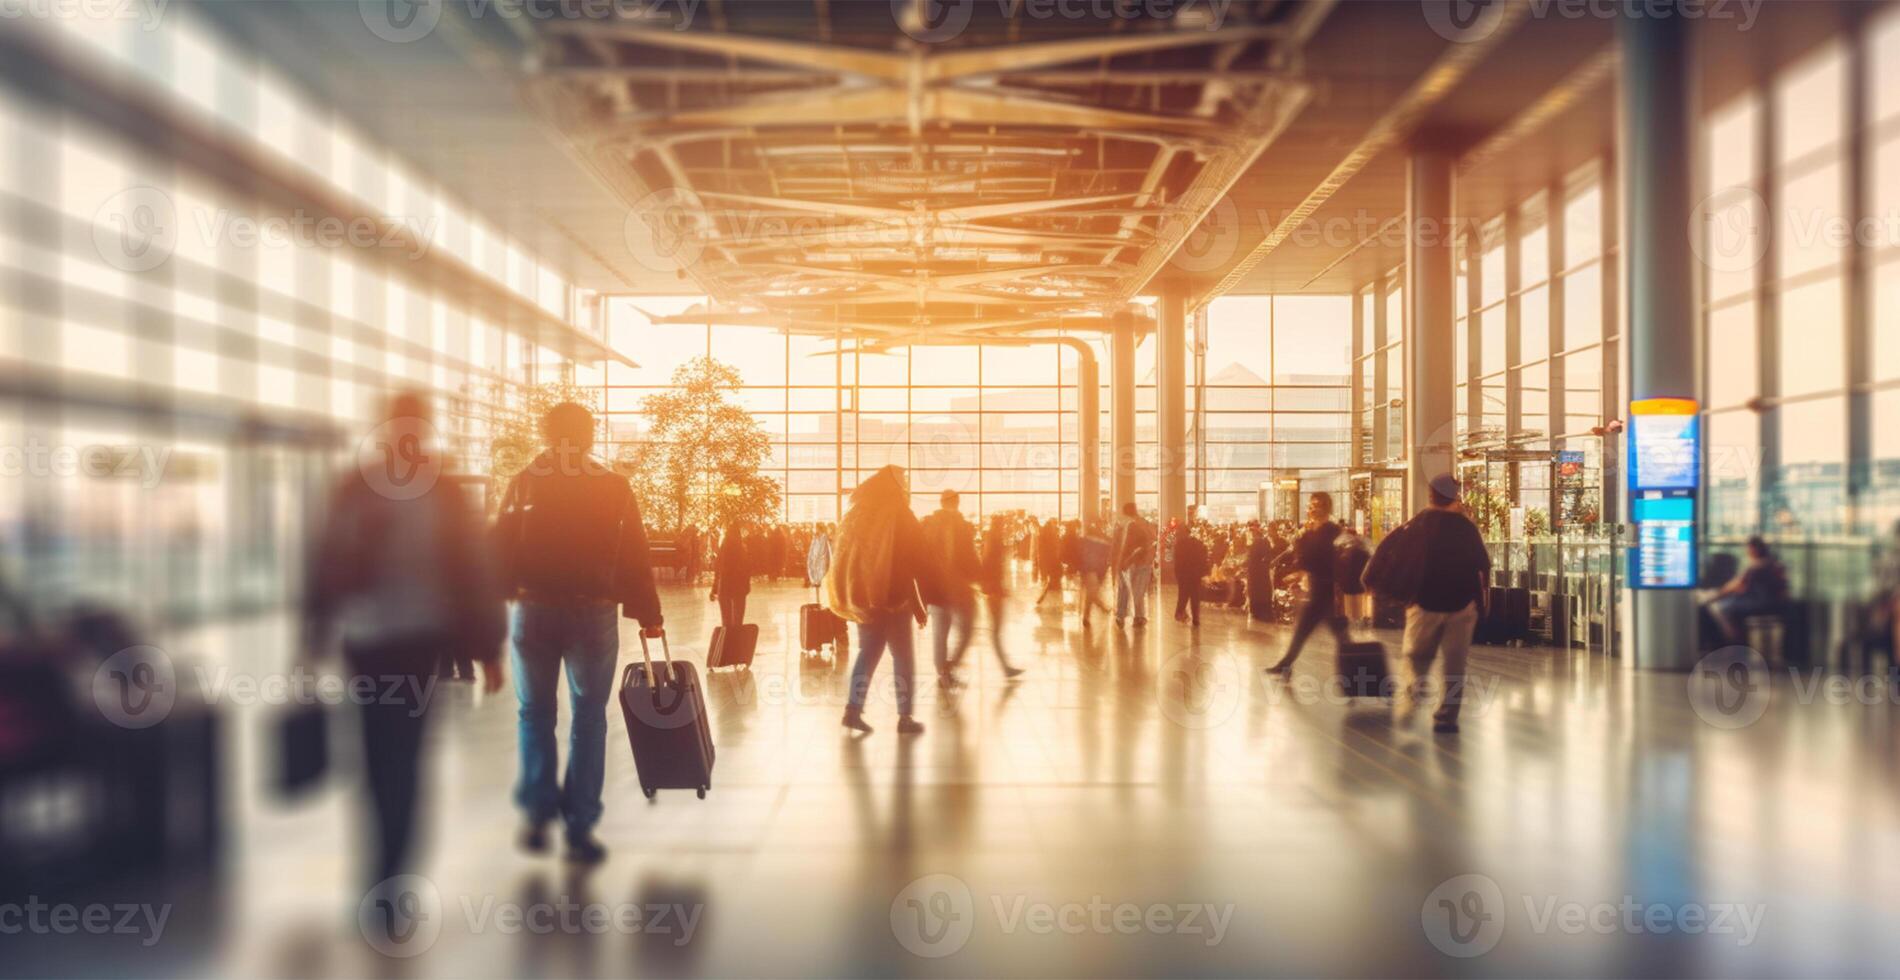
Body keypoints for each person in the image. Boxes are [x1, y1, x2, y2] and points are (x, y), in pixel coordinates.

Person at [304, 392, 507, 885]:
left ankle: (386, 868)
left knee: (382, 756)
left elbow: (324, 559)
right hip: (404, 641)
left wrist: (314, 630)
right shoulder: (438, 491)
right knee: (400, 756)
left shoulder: (359, 487)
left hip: (384, 641)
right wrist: (487, 649)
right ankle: (391, 868)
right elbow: (473, 570)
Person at [493, 401, 663, 863]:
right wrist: (648, 611)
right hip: (592, 613)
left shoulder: (524, 482)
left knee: (534, 713)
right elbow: (634, 554)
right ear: (589, 436)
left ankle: (537, 814)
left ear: (546, 435)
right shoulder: (612, 486)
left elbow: (499, 549)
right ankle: (581, 824)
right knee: (588, 718)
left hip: (533, 610)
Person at [1371, 474, 1491, 734]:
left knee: (1416, 657)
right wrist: (1481, 603)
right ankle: (1446, 718)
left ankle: (1412, 702)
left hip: (1423, 604)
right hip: (1461, 606)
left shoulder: (1416, 525)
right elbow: (1484, 564)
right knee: (1455, 666)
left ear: (1430, 495)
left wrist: (1382, 588)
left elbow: (1384, 553)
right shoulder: (1466, 528)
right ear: (1455, 496)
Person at [827, 466, 934, 735]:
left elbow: (844, 556)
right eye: (905, 480)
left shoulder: (857, 514)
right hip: (894, 598)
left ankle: (852, 710)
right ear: (896, 485)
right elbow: (919, 556)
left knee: (869, 652)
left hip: (866, 598)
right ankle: (905, 717)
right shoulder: (899, 513)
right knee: (904, 657)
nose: (907, 485)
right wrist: (926, 595)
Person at [1266, 493, 1350, 675]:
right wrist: (1298, 572)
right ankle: (1286, 664)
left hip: (1327, 590)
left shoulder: (1332, 532)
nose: (1312, 509)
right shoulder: (1310, 532)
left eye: (1317, 505)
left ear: (1326, 508)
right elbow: (1304, 557)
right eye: (1311, 505)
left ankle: (1360, 668)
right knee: (1314, 631)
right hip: (1317, 589)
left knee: (1333, 634)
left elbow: (1328, 560)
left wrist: (1300, 572)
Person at [920, 490, 981, 691]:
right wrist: (978, 577)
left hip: (936, 588)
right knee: (966, 628)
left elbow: (922, 557)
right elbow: (969, 556)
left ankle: (945, 672)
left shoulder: (929, 525)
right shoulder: (961, 525)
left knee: (941, 633)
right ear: (956, 502)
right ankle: (947, 670)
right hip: (956, 587)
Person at [1702, 535, 1791, 642]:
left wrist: (1715, 596)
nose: (1747, 551)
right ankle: (1736, 640)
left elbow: (1738, 586)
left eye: (1748, 548)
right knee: (1725, 605)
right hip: (1774, 602)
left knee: (1722, 608)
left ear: (1754, 549)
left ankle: (1734, 641)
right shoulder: (1771, 563)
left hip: (1764, 603)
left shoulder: (1758, 565)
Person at [977, 514, 1027, 678]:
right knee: (996, 631)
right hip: (994, 591)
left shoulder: (991, 540)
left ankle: (1006, 667)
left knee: (996, 630)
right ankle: (1005, 667)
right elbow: (992, 567)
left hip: (994, 590)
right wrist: (996, 589)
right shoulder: (995, 541)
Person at [1113, 502, 1156, 628]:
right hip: (1145, 561)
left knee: (1125, 588)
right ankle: (1139, 617)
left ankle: (1122, 616)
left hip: (1133, 561)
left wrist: (1123, 561)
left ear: (1126, 513)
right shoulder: (1145, 523)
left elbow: (1127, 545)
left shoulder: (1131, 525)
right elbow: (1153, 540)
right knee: (1138, 590)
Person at [712, 522, 752, 631]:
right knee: (738, 619)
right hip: (740, 589)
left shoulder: (723, 549)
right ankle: (737, 640)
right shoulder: (742, 549)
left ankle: (727, 640)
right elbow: (747, 570)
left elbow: (717, 569)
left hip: (724, 587)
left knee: (726, 620)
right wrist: (746, 588)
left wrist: (714, 589)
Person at [1077, 519, 1114, 627]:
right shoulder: (1102, 541)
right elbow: (1107, 556)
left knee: (1090, 594)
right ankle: (1097, 610)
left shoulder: (1084, 541)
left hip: (1089, 569)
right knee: (1091, 593)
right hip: (1095, 569)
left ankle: (1088, 615)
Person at [1173, 525, 1208, 627]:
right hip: (1195, 574)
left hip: (1184, 574)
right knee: (1195, 596)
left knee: (1183, 594)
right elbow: (1203, 557)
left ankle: (1179, 613)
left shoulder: (1179, 545)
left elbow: (1177, 562)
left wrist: (1177, 574)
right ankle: (1195, 618)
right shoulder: (1197, 543)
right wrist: (1202, 571)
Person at [1034, 518, 1064, 605]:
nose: (1056, 526)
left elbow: (1040, 554)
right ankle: (1042, 601)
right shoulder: (1050, 536)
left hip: (1052, 565)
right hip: (1053, 565)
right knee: (1052, 586)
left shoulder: (1046, 535)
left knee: (1051, 585)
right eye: (1055, 524)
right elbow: (1052, 552)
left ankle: (1042, 601)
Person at [806, 522, 834, 590]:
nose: (815, 529)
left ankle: (819, 584)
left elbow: (824, 549)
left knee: (821, 573)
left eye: (816, 528)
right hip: (816, 558)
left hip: (822, 559)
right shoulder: (816, 537)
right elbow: (812, 548)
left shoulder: (825, 537)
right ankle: (816, 583)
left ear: (819, 528)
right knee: (816, 573)